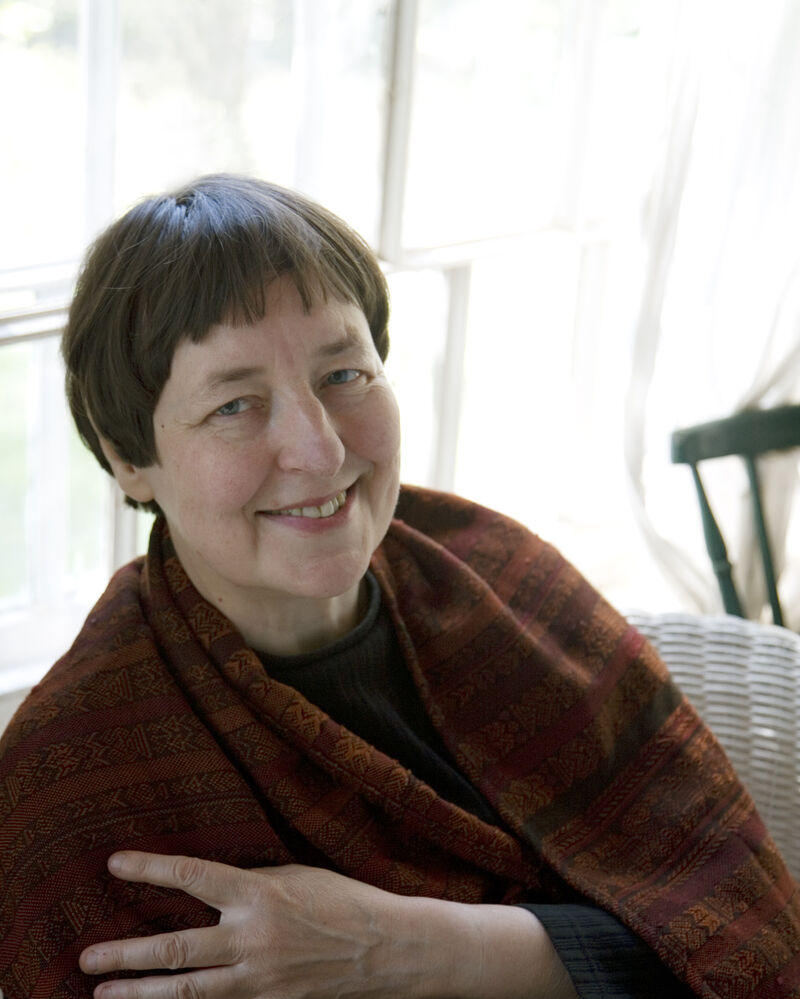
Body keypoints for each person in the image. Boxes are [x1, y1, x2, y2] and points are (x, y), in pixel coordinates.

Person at [0, 174, 797, 999]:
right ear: (129, 459)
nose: (319, 449)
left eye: (344, 373)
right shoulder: (70, 782)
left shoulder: (502, 576)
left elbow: (751, 933)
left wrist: (416, 948)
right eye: (235, 405)